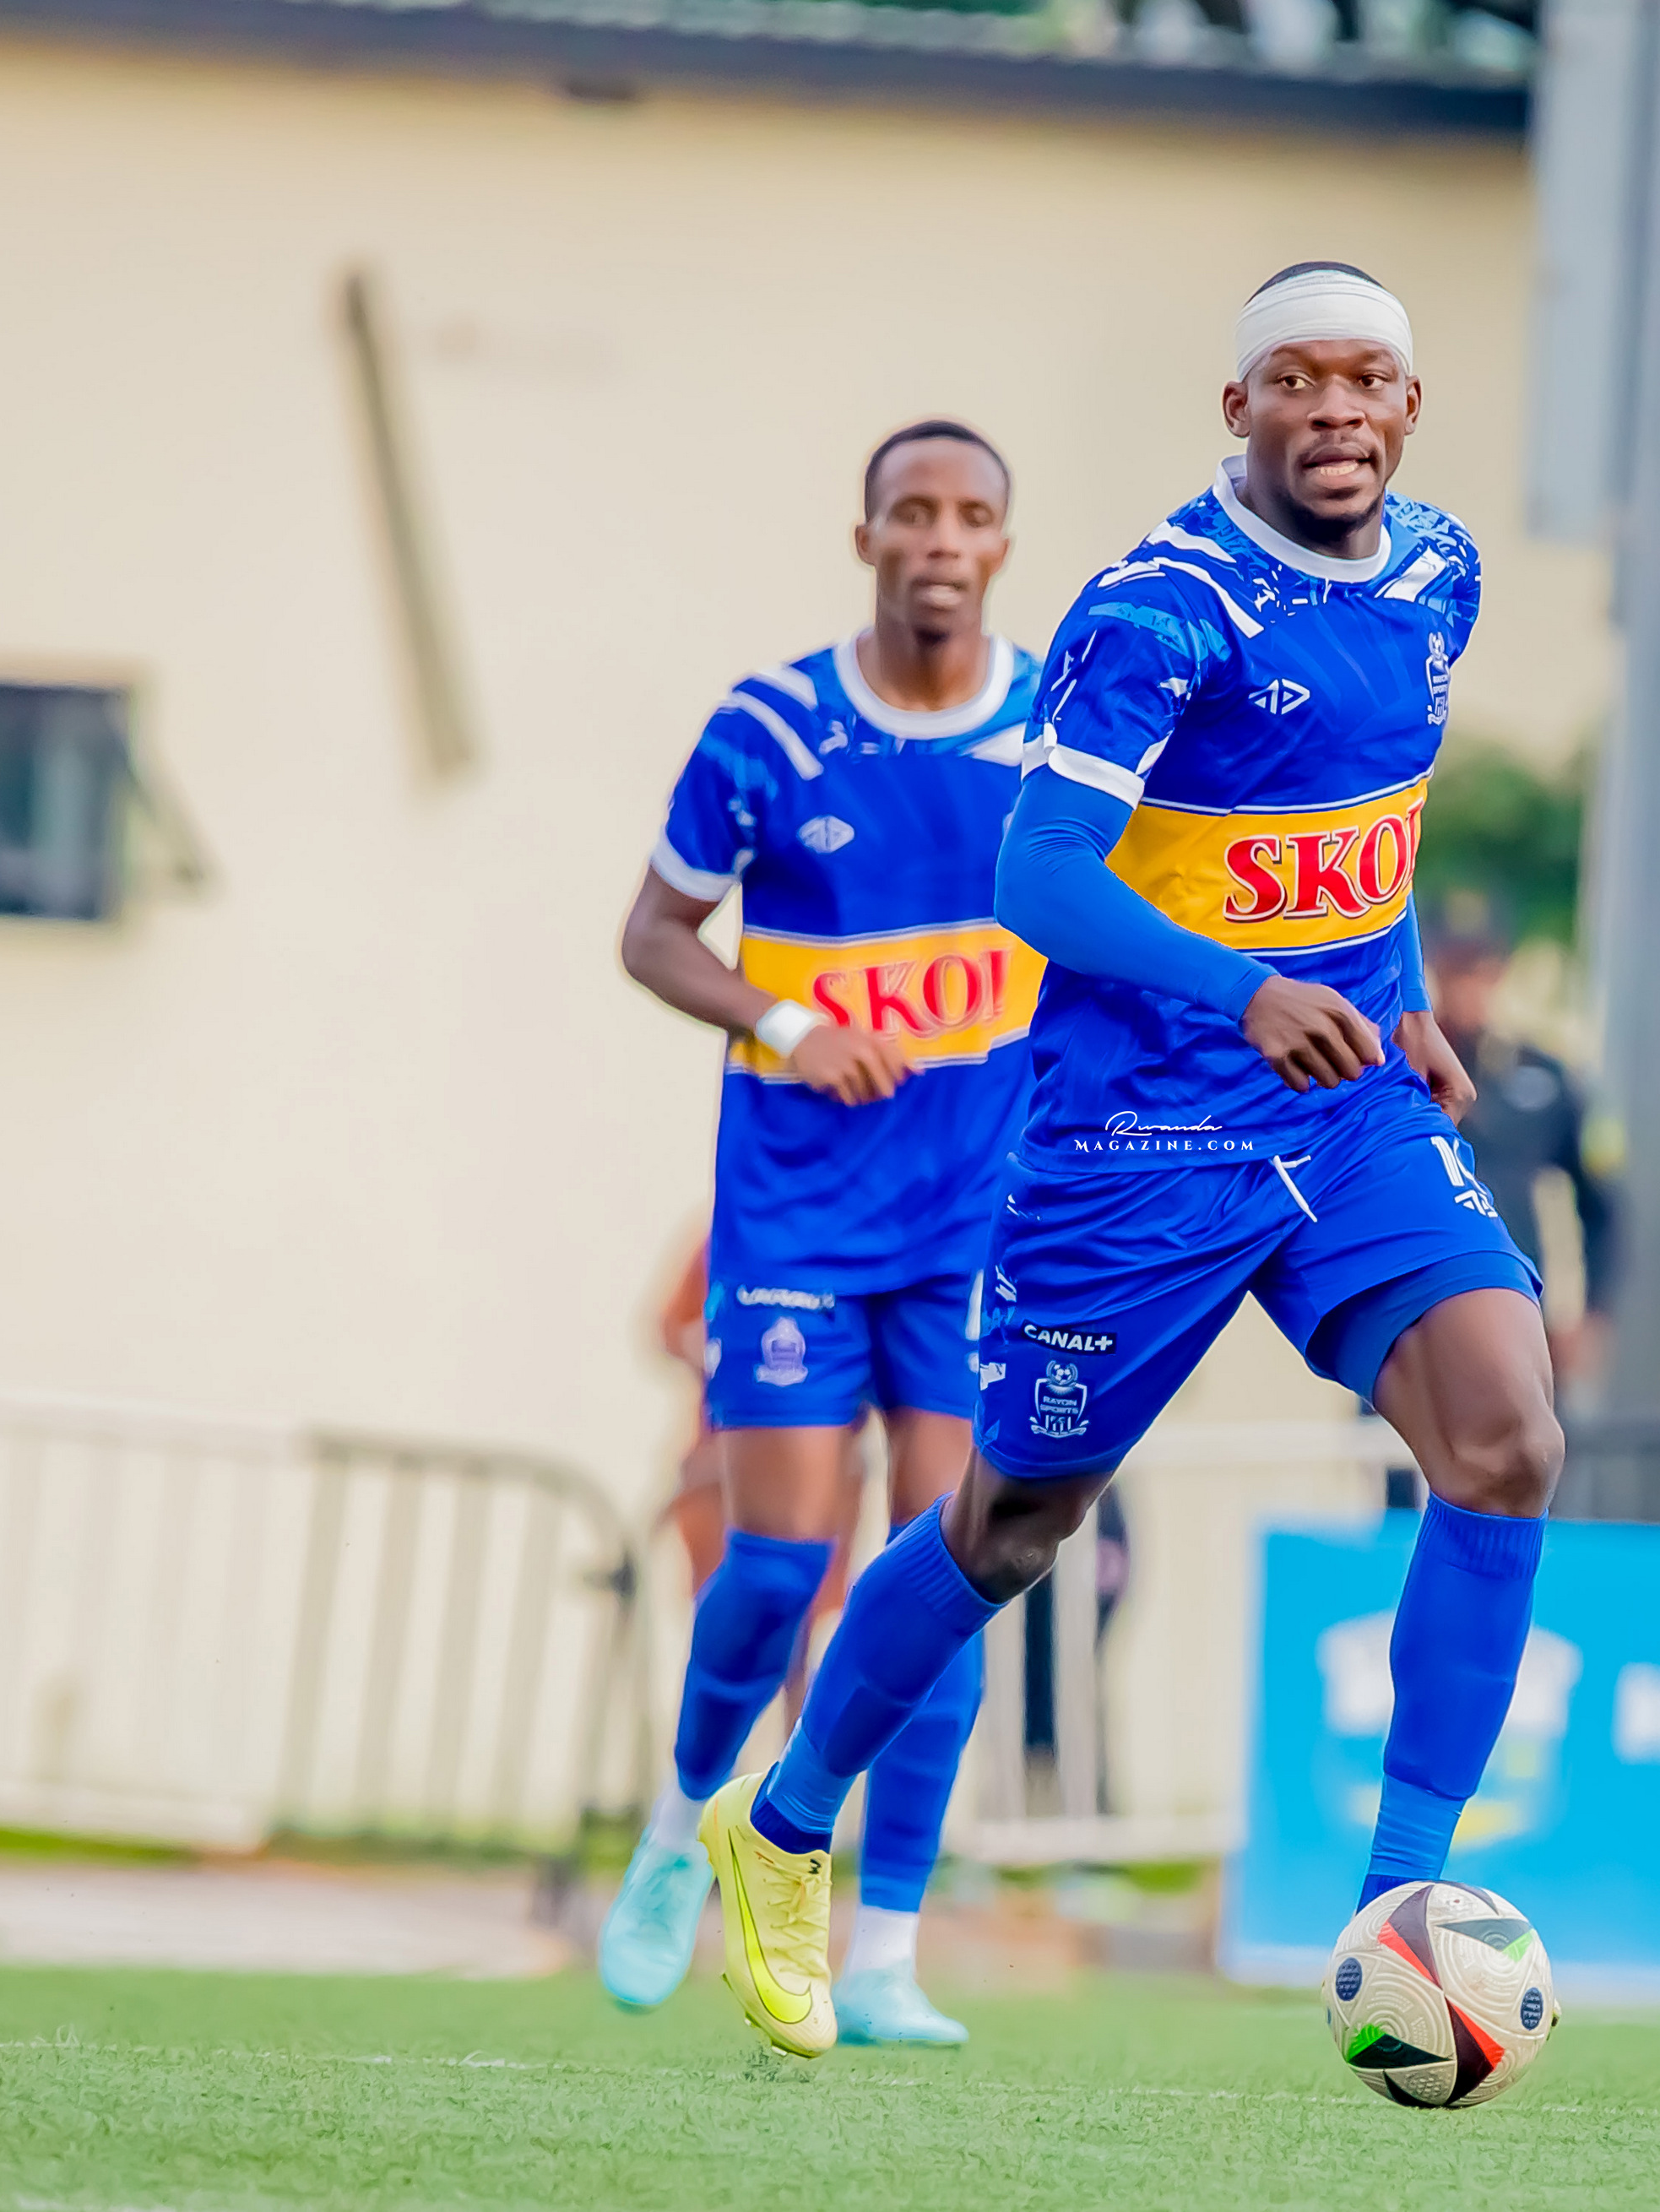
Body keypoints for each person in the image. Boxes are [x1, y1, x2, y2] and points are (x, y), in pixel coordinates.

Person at [692, 263, 1565, 2060]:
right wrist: (1245, 990)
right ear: (1236, 410)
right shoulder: (1160, 608)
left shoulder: (1440, 575)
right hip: (1138, 1133)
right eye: (1296, 381)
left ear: (1411, 408)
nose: (1336, 410)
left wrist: (1398, 999)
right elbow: (1037, 874)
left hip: (1346, 1104)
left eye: (1369, 381)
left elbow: (1370, 826)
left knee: (1507, 1437)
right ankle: (779, 1824)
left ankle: (1399, 1912)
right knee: (1017, 1520)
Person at [600, 420, 1042, 2046]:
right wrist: (788, 1026)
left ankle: (885, 1954)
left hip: (971, 1225)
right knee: (781, 1566)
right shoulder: (772, 729)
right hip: (794, 1209)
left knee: (946, 1572)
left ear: (1003, 546)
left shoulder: (1055, 728)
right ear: (866, 540)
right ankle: (679, 1830)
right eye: (911, 512)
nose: (941, 539)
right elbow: (654, 934)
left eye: (972, 515)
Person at [1425, 898, 1623, 1396]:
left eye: (1479, 971)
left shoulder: (1545, 1079)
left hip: (1519, 1312)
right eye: (1454, 970)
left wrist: (1592, 1312)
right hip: (1416, 1319)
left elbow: (1602, 1203)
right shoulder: (1398, 1074)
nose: (1467, 987)